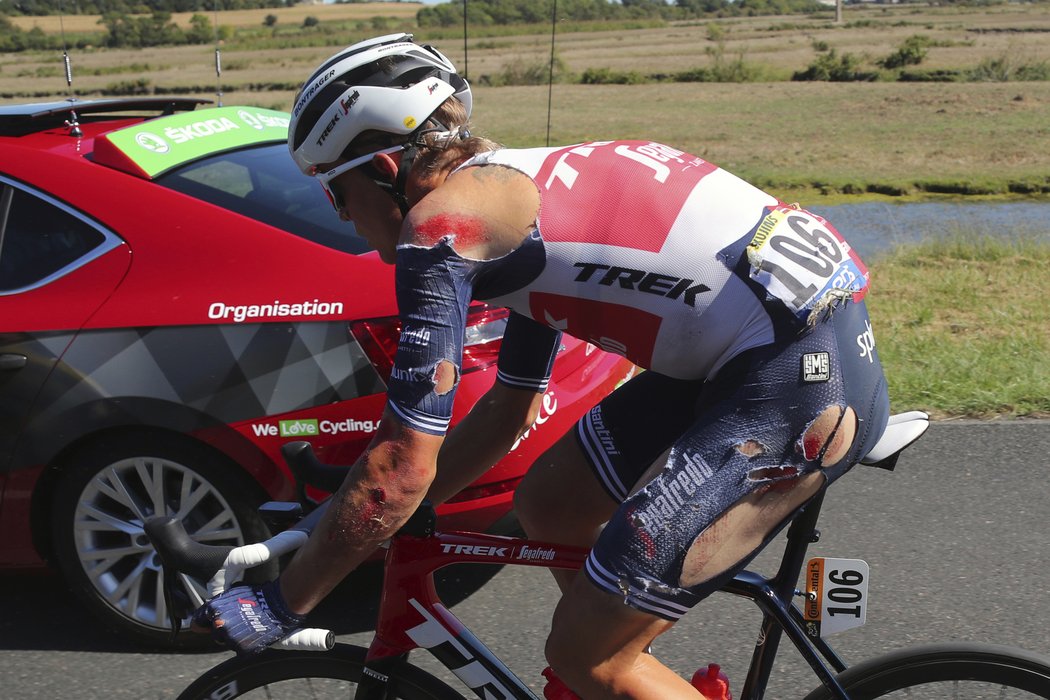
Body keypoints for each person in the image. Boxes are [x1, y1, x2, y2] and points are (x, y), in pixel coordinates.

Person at [193, 33, 890, 699]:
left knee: (584, 655)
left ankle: (614, 672)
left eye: (335, 193)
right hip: (769, 355)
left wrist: (286, 601)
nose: (342, 216)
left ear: (383, 172)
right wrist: (335, 527)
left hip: (794, 386)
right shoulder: (504, 197)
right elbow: (507, 411)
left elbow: (400, 471)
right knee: (553, 504)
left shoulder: (442, 229)